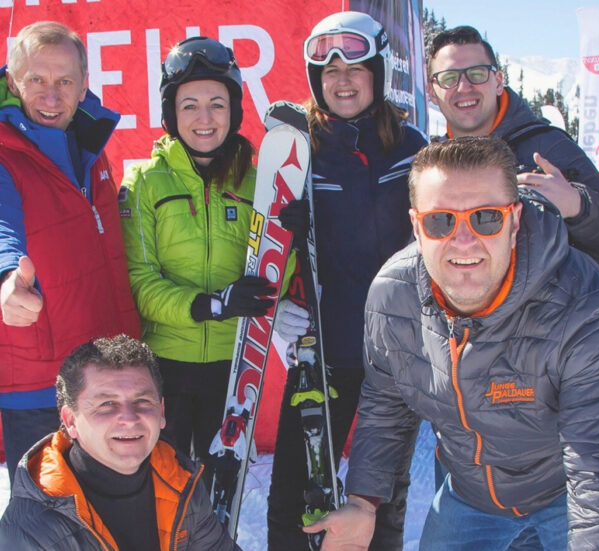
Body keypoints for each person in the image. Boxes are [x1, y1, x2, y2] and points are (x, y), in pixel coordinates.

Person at [303, 136, 599, 551]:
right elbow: (386, 403)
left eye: (486, 218)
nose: (463, 240)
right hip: (471, 493)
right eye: (440, 221)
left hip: (566, 491)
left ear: (516, 219)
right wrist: (362, 501)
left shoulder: (581, 301)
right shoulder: (393, 297)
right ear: (416, 225)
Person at [265, 11, 428, 551]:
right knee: (295, 491)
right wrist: (285, 300)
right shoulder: (297, 151)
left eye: (356, 68)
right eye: (329, 71)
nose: (342, 80)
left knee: (382, 493)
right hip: (324, 350)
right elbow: (267, 245)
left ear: (378, 73)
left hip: (396, 352)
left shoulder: (411, 148)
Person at [118, 36, 272, 489]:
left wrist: (292, 235)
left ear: (234, 110)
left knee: (217, 492)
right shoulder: (145, 181)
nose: (204, 119)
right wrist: (211, 304)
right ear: (171, 114)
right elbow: (141, 283)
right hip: (165, 363)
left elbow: (271, 281)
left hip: (235, 364)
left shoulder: (256, 181)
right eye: (189, 105)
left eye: (216, 104)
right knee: (159, 487)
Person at [0, 21, 140, 482]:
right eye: (36, 80)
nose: (50, 95)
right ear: (14, 82)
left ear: (83, 86)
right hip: (41, 388)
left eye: (64, 81)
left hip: (101, 371)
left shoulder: (90, 145)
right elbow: (3, 226)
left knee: (110, 512)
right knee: (49, 522)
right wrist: (5, 277)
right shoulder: (4, 153)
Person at [0, 335, 238, 550]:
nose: (129, 418)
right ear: (70, 420)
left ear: (161, 410)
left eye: (143, 401)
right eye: (107, 404)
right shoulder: (32, 530)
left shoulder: (181, 482)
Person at [427, 25, 599, 259]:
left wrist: (577, 205)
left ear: (497, 81)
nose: (464, 87)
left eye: (477, 74)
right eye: (449, 78)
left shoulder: (547, 146)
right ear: (432, 92)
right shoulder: (430, 167)